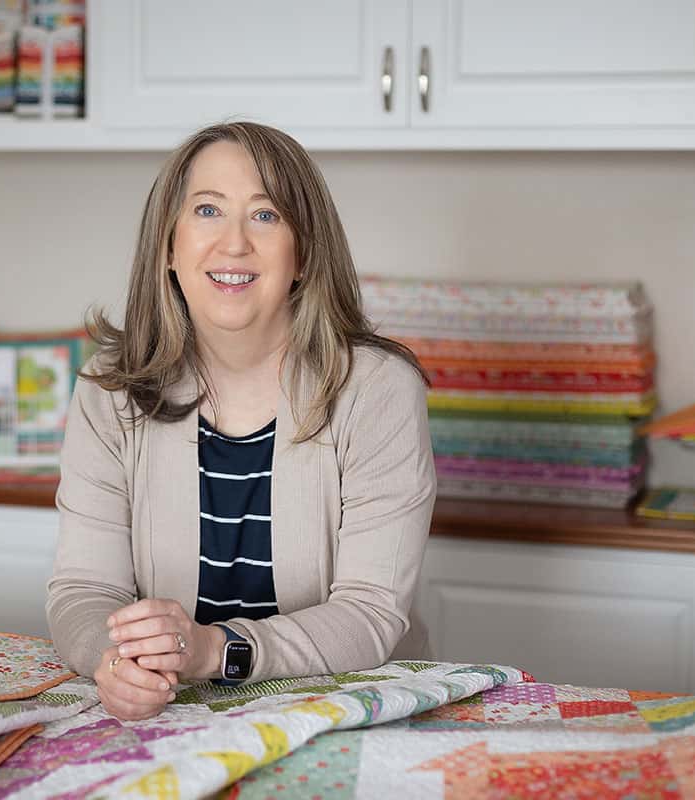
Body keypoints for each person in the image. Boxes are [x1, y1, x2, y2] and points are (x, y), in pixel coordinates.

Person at [47, 121, 436, 721]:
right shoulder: (112, 389)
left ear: (303, 253)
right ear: (169, 247)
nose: (233, 244)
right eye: (207, 210)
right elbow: (83, 591)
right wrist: (120, 659)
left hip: (350, 707)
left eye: (265, 215)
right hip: (177, 710)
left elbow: (368, 613)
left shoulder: (378, 390)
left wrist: (215, 649)